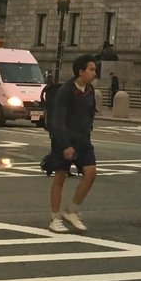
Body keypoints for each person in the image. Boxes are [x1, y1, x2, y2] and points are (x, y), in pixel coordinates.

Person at [46, 55, 98, 233]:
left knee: (90, 173)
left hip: (83, 140)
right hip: (64, 140)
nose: (94, 73)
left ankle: (72, 210)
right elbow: (58, 120)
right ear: (80, 71)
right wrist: (65, 144)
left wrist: (87, 130)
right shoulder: (66, 91)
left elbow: (90, 114)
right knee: (60, 176)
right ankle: (54, 217)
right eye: (91, 69)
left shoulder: (90, 90)